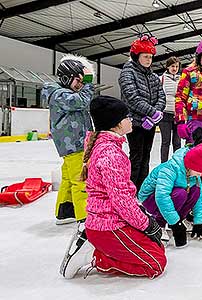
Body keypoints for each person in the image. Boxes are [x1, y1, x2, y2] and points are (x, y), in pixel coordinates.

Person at [59, 96, 166, 279]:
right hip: (107, 226)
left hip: (112, 220)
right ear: (116, 124)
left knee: (158, 247)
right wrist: (146, 224)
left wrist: (142, 216)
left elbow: (123, 194)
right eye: (127, 116)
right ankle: (95, 256)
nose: (130, 119)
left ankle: (98, 244)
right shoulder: (111, 155)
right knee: (155, 264)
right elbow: (122, 201)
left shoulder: (106, 145)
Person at [41, 54, 95, 225]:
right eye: (77, 81)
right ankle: (84, 218)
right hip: (74, 145)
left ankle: (65, 212)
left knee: (68, 179)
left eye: (81, 81)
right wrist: (88, 80)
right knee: (81, 181)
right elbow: (82, 101)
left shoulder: (65, 93)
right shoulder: (60, 94)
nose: (80, 85)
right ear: (66, 78)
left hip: (75, 144)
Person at [138, 142, 202, 248]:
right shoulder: (170, 169)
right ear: (192, 165)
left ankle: (178, 219)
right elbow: (162, 197)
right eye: (199, 171)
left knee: (195, 190)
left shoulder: (193, 174)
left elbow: (199, 197)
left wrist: (198, 222)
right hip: (150, 199)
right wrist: (175, 224)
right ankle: (159, 223)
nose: (200, 174)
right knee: (181, 193)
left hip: (170, 199)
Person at [119, 34, 166, 190]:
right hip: (135, 123)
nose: (148, 60)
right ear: (136, 56)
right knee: (136, 157)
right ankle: (131, 189)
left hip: (150, 123)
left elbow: (161, 95)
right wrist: (152, 112)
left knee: (146, 156)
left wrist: (155, 115)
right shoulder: (127, 73)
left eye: (151, 57)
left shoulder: (152, 76)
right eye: (145, 56)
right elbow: (132, 97)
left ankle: (143, 189)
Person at [159, 56, 182, 162]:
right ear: (167, 67)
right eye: (172, 66)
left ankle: (176, 163)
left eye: (177, 66)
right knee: (165, 142)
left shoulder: (181, 79)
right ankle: (163, 164)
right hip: (165, 114)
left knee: (177, 142)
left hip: (177, 114)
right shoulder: (161, 79)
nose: (175, 68)